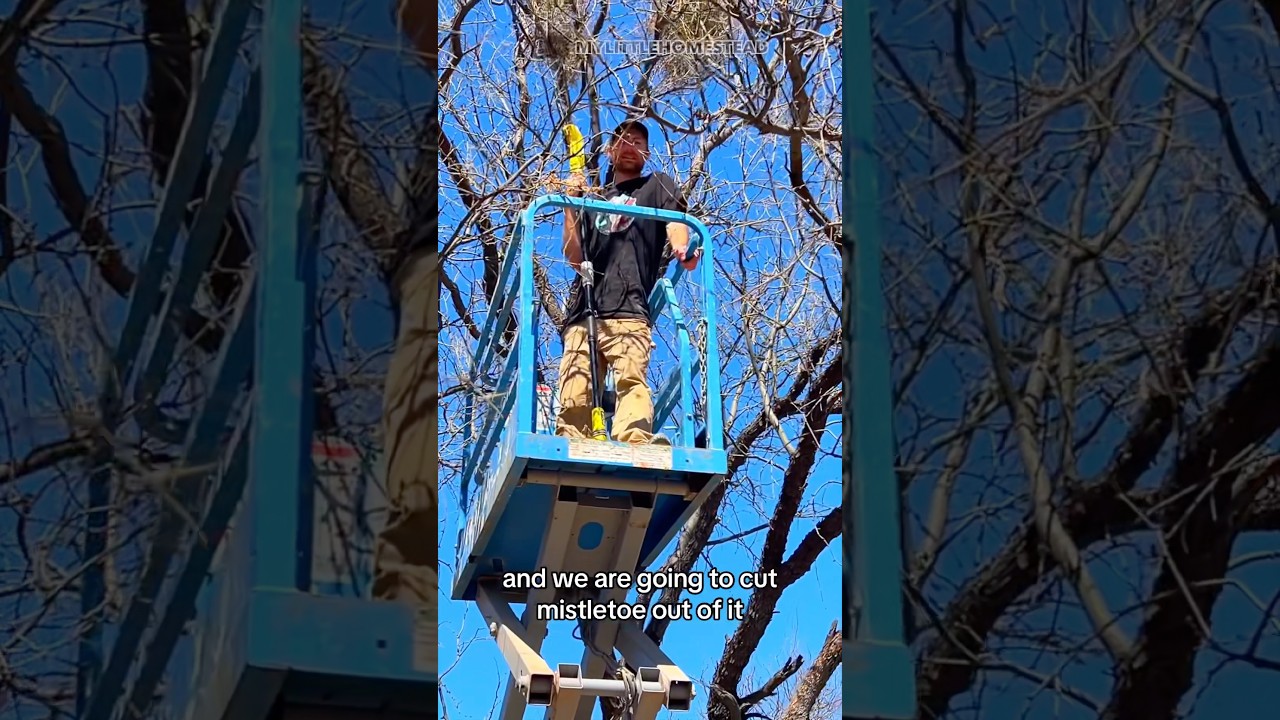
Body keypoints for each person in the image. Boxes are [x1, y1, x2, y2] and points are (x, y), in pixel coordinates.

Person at [556, 120, 701, 444]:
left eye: (638, 141)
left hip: (631, 308)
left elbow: (676, 223)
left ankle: (635, 442)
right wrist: (570, 202)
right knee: (575, 391)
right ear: (610, 151)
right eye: (623, 139)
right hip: (586, 309)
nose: (630, 145)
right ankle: (569, 444)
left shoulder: (656, 185)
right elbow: (574, 255)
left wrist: (682, 248)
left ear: (647, 152)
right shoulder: (593, 197)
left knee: (633, 380)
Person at [371, 0, 436, 674]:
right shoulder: (434, 125)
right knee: (417, 494)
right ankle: (404, 638)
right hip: (425, 284)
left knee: (422, 494)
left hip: (433, 283)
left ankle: (409, 638)